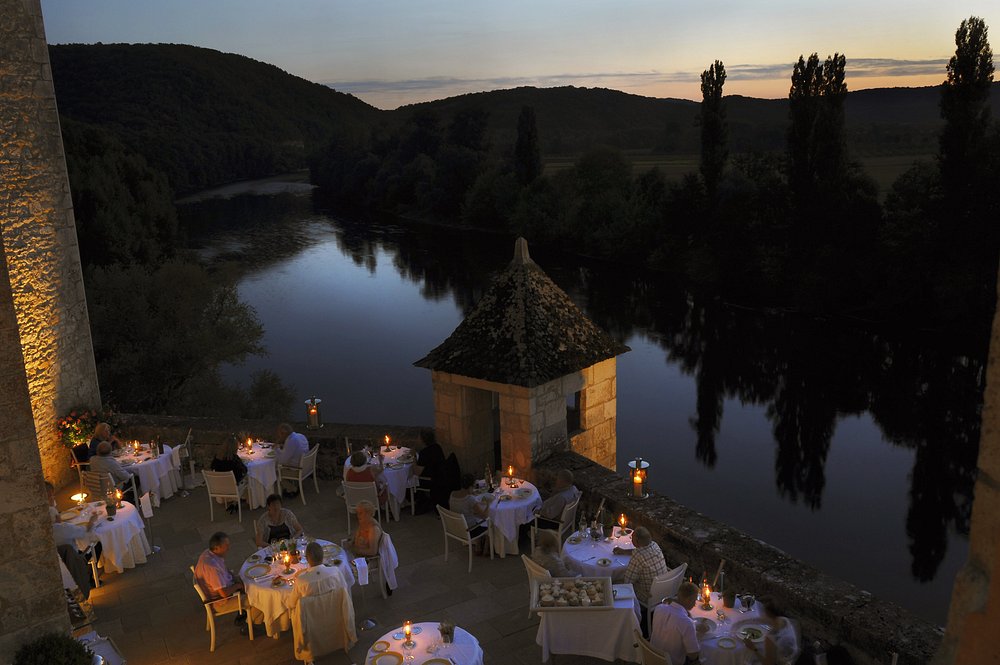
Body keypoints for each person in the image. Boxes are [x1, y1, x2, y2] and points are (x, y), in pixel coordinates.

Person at [194, 532, 259, 631]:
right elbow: (224, 593)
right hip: (220, 602)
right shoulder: (212, 568)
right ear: (217, 548)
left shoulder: (208, 553)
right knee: (258, 600)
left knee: (250, 579)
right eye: (226, 546)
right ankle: (248, 625)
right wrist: (237, 586)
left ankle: (242, 615)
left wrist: (235, 578)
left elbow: (223, 571)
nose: (228, 548)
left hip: (225, 587)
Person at [283, 542, 348, 611]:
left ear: (307, 559)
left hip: (310, 619)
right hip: (334, 612)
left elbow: (291, 604)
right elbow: (344, 590)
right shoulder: (335, 571)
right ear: (323, 556)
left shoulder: (301, 581)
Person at [649, 581, 703, 665]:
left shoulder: (659, 608)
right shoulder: (687, 623)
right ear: (689, 600)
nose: (695, 604)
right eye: (694, 600)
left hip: (652, 656)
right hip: (670, 662)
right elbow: (693, 655)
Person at [615, 526, 668, 608]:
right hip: (664, 589)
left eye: (631, 538)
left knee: (614, 583)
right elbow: (641, 551)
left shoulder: (638, 555)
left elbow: (628, 581)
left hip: (649, 595)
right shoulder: (654, 545)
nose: (631, 539)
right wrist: (623, 551)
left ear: (636, 540)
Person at [743, 596, 800, 665]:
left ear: (766, 613)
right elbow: (766, 620)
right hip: (789, 660)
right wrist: (747, 621)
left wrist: (753, 648)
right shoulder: (787, 621)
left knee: (747, 658)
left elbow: (768, 663)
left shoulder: (772, 637)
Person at [448, 473, 489, 553]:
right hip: (469, 530)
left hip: (456, 528)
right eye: (473, 487)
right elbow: (484, 516)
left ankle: (478, 546)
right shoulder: (470, 499)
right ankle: (486, 547)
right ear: (470, 487)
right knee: (489, 521)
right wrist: (489, 504)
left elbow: (462, 508)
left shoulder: (452, 494)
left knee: (476, 516)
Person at [211, 437, 248, 513]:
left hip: (219, 487)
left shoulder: (217, 458)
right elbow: (244, 470)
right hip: (233, 487)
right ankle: (237, 501)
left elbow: (212, 468)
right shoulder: (234, 459)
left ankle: (235, 502)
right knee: (248, 478)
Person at [275, 423, 309, 497]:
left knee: (275, 470)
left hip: (297, 469)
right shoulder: (300, 436)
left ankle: (292, 489)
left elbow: (282, 461)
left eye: (280, 434)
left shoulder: (291, 442)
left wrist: (276, 449)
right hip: (306, 467)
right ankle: (292, 485)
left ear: (284, 433)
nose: (279, 436)